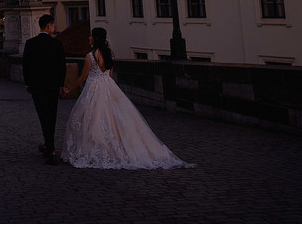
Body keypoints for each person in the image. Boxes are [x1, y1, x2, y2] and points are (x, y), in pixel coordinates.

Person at [61, 28, 193, 169]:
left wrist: (68, 88)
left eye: (91, 36)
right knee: (115, 119)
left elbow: (82, 77)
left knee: (90, 119)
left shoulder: (90, 56)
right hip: (108, 87)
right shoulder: (109, 53)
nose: (88, 37)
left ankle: (95, 150)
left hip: (93, 88)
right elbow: (109, 74)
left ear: (96, 38)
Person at [23, 13, 66, 165]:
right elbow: (62, 67)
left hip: (37, 86)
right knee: (51, 116)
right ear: (48, 26)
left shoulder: (30, 43)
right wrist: (61, 84)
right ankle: (50, 147)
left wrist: (28, 83)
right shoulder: (57, 44)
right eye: (53, 26)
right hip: (53, 86)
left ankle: (50, 147)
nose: (54, 29)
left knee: (43, 116)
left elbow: (26, 66)